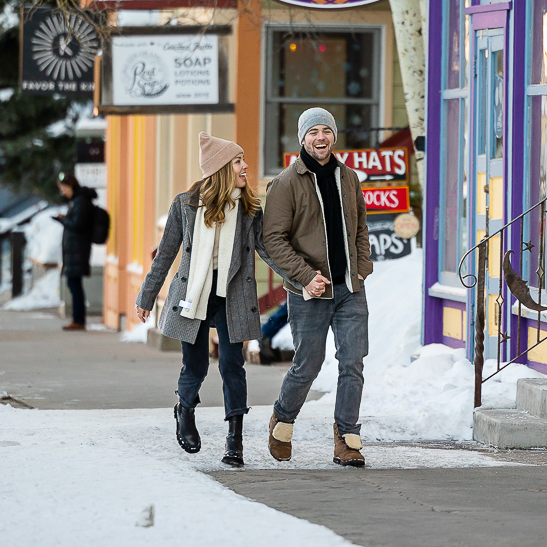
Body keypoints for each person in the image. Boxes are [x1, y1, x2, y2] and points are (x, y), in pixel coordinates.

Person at [135, 133, 269, 466]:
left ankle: (234, 442)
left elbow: (270, 251)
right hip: (193, 295)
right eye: (238, 161)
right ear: (222, 167)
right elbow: (165, 254)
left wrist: (305, 279)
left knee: (230, 364)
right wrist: (147, 296)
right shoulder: (185, 205)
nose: (246, 167)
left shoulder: (250, 210)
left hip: (231, 295)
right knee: (195, 365)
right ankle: (185, 409)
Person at [261, 107, 372, 467]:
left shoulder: (349, 178)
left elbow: (360, 229)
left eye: (326, 131)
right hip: (309, 293)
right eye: (313, 132)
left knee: (352, 362)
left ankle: (347, 440)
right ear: (303, 139)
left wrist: (362, 266)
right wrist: (306, 275)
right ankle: (283, 418)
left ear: (333, 137)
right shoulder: (285, 183)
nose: (320, 138)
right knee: (308, 363)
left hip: (349, 290)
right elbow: (273, 240)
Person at [54, 172, 96, 331]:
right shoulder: (77, 201)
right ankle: (78, 318)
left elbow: (77, 224)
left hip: (78, 249)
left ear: (71, 186)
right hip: (75, 250)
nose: (63, 192)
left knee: (74, 284)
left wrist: (63, 220)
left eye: (64, 188)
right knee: (73, 284)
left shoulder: (80, 202)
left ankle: (79, 319)